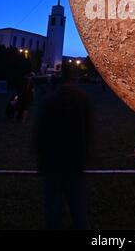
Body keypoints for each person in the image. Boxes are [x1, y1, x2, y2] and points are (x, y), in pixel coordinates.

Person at [34, 71, 92, 230]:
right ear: (73, 80)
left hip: (53, 162)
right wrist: (86, 155)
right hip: (74, 162)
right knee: (78, 207)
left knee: (53, 207)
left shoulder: (49, 100)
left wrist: (40, 157)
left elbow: (40, 132)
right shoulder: (82, 100)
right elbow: (87, 130)